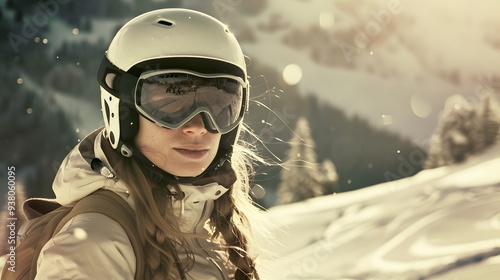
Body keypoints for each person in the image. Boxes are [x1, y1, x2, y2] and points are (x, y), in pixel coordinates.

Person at [33, 8, 268, 280]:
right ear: (123, 111)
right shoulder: (93, 246)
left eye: (219, 104)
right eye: (171, 102)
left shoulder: (205, 226)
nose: (198, 126)